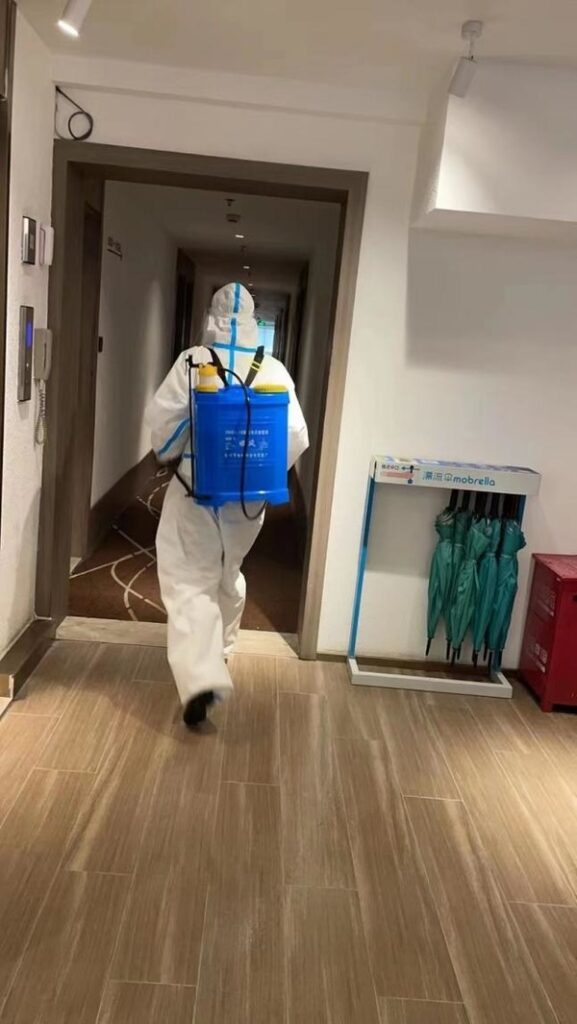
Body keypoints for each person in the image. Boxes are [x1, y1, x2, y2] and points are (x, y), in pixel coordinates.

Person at [146, 283, 309, 726]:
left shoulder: (194, 360)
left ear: (211, 318)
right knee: (227, 572)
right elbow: (296, 436)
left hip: (196, 491)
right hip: (249, 503)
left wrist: (178, 449)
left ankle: (202, 678)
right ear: (252, 322)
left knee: (187, 579)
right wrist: (256, 471)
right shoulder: (274, 368)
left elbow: (163, 430)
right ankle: (220, 652)